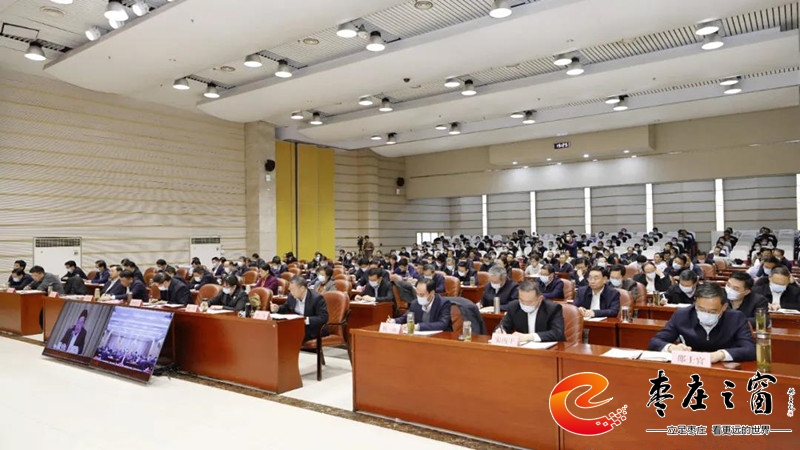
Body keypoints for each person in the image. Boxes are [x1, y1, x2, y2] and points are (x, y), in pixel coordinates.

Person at [648, 283, 755, 362]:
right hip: (692, 366)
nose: (706, 314)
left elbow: (750, 350)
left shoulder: (736, 318)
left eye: (712, 311)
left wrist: (721, 355)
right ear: (695, 303)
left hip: (724, 369)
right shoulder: (682, 315)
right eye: (701, 309)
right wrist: (672, 348)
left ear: (724, 307)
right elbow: (655, 341)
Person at [496, 281, 565, 342]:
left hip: (549, 349)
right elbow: (503, 325)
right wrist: (500, 331)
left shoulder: (552, 308)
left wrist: (529, 337)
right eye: (522, 301)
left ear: (540, 299)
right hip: (523, 348)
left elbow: (557, 333)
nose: (525, 304)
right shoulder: (514, 306)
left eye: (529, 302)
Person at [271, 276, 329, 342]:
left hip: (312, 328)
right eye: (290, 290)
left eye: (293, 290)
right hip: (297, 327)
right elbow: (286, 307)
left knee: (288, 335)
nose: (291, 293)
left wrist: (305, 320)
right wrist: (277, 308)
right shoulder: (291, 296)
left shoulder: (316, 298)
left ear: (302, 288)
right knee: (277, 331)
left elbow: (323, 318)